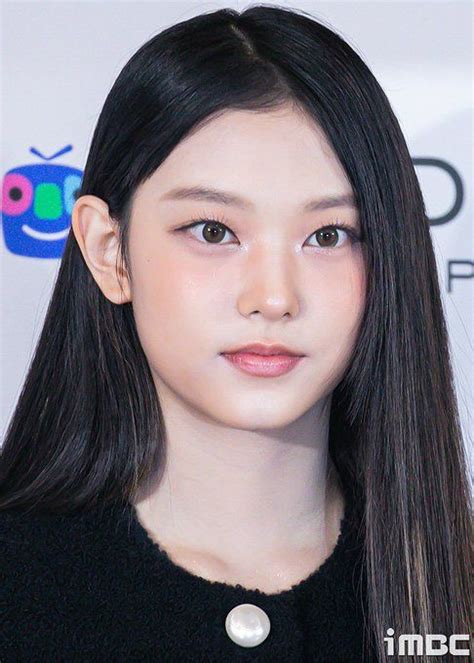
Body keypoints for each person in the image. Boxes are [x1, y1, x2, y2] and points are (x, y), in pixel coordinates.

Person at [0, 4, 471, 662]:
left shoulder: (449, 586)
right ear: (109, 252)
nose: (273, 298)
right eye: (214, 231)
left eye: (328, 236)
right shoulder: (17, 589)